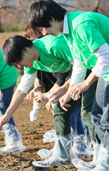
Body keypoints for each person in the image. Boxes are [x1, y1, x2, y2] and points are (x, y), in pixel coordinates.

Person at [28, 0, 109, 171]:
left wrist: (86, 84)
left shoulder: (81, 25)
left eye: (42, 28)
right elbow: (80, 63)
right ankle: (100, 161)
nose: (43, 33)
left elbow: (106, 55)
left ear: (51, 19)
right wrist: (68, 93)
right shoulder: (67, 32)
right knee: (95, 114)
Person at [0, 33, 93, 167]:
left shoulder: (53, 46)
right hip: (73, 79)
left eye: (18, 62)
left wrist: (64, 88)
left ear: (25, 50)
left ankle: (101, 158)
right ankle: (63, 155)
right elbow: (22, 89)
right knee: (60, 108)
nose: (20, 66)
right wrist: (6, 116)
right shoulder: (33, 61)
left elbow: (80, 64)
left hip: (91, 71)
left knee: (90, 115)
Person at [23, 25, 92, 158]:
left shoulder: (52, 48)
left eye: (30, 39)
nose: (29, 41)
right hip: (67, 84)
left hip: (75, 81)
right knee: (73, 114)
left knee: (72, 114)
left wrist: (49, 95)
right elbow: (41, 81)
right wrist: (39, 90)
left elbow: (62, 76)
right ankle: (77, 145)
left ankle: (71, 147)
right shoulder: (37, 59)